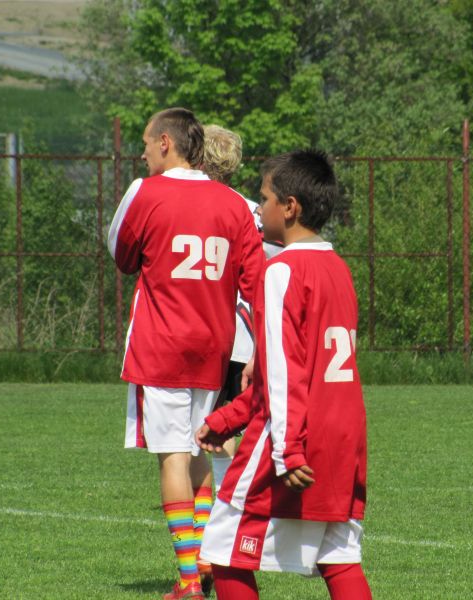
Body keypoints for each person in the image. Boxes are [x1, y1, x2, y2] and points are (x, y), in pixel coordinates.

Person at [195, 150, 372, 600]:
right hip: (345, 436)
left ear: (290, 207)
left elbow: (284, 374)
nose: (259, 210)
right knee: (338, 555)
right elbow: (309, 370)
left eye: (264, 198)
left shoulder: (282, 272)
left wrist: (287, 451)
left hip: (294, 434)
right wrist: (228, 418)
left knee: (223, 549)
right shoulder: (339, 269)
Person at [107, 107, 264, 600]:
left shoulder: (145, 192)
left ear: (166, 143)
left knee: (173, 456)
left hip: (162, 345)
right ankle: (202, 561)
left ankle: (189, 581)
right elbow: (255, 282)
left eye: (146, 143)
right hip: (215, 345)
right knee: (198, 450)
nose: (143, 153)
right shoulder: (235, 204)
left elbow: (122, 257)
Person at [199, 125, 283, 504]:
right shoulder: (253, 210)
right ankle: (232, 493)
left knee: (211, 427)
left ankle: (223, 497)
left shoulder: (197, 205)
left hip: (212, 329)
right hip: (247, 333)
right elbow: (279, 261)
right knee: (235, 424)